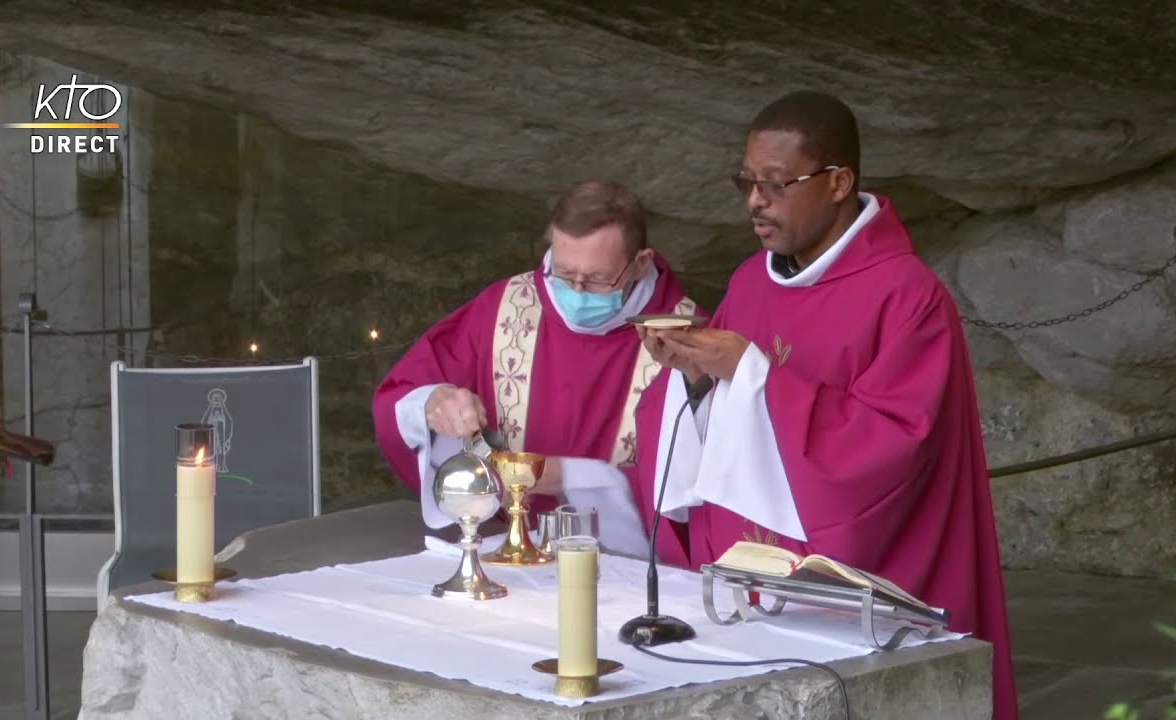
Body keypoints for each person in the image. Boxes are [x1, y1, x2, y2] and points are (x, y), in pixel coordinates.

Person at [630, 90, 1019, 719]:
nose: (756, 201)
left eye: (777, 183)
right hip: (749, 583)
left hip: (860, 598)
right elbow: (714, 411)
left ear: (839, 182)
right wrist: (695, 378)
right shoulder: (752, 281)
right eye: (747, 181)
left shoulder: (907, 296)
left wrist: (752, 372)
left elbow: (893, 446)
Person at [373, 179, 708, 557]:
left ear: (641, 262)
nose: (577, 292)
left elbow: (695, 490)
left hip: (624, 567)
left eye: (597, 279)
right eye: (564, 274)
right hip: (506, 551)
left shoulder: (687, 343)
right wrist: (434, 402)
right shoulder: (505, 307)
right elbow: (401, 396)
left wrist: (568, 478)